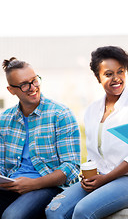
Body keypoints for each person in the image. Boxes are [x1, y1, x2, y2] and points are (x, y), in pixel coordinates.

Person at [46, 46, 128, 219]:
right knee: (54, 210)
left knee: (82, 211)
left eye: (121, 71)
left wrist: (107, 178)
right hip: (101, 178)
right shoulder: (91, 110)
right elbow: (94, 154)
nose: (116, 78)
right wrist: (89, 175)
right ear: (98, 77)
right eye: (109, 74)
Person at [0, 57, 80, 219]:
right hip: (12, 186)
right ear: (11, 90)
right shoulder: (5, 120)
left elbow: (71, 167)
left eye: (34, 81)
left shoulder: (60, 115)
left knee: (13, 216)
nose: (32, 88)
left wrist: (32, 184)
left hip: (49, 187)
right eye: (24, 85)